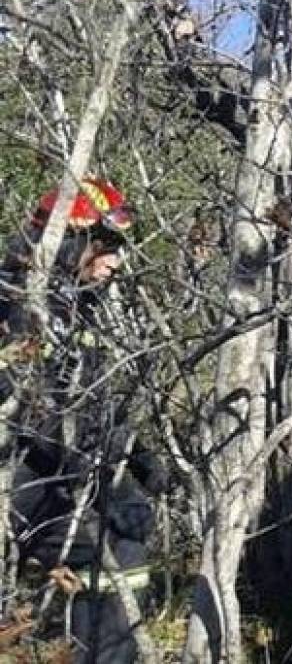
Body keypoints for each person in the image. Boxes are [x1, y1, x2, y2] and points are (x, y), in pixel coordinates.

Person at [2, 179, 170, 663]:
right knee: (112, 549)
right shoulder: (17, 303)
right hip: (19, 475)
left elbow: (93, 401)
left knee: (126, 536)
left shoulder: (78, 304)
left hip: (56, 468)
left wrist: (139, 458)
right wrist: (103, 477)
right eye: (107, 246)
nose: (115, 262)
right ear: (73, 239)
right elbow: (35, 414)